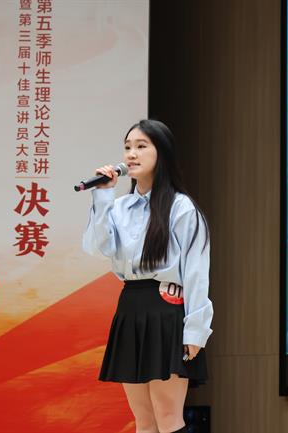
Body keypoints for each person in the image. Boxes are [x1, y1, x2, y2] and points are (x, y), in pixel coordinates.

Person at [83, 119, 213, 433]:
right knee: (143, 419)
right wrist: (102, 196)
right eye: (128, 147)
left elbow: (196, 272)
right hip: (131, 308)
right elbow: (97, 246)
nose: (131, 154)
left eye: (141, 146)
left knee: (168, 417)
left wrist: (195, 331)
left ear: (161, 153)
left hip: (167, 310)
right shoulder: (119, 207)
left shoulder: (181, 208)